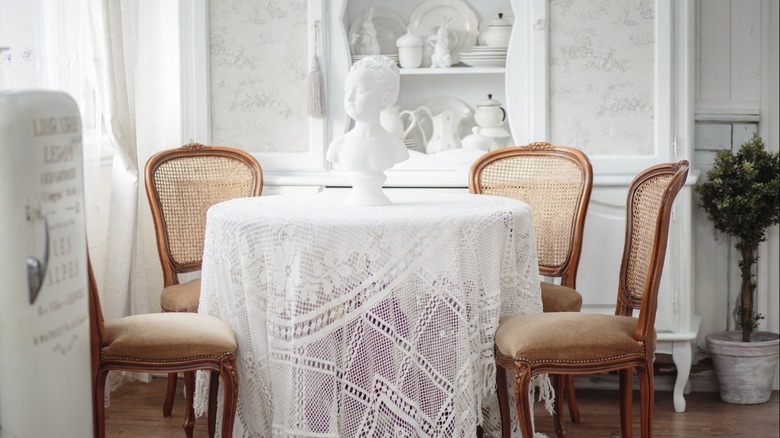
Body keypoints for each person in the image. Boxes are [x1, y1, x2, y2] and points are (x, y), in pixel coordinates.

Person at [327, 55, 409, 206]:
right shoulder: (338, 146)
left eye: (360, 91)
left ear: (385, 98)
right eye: (347, 91)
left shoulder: (395, 146)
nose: (350, 98)